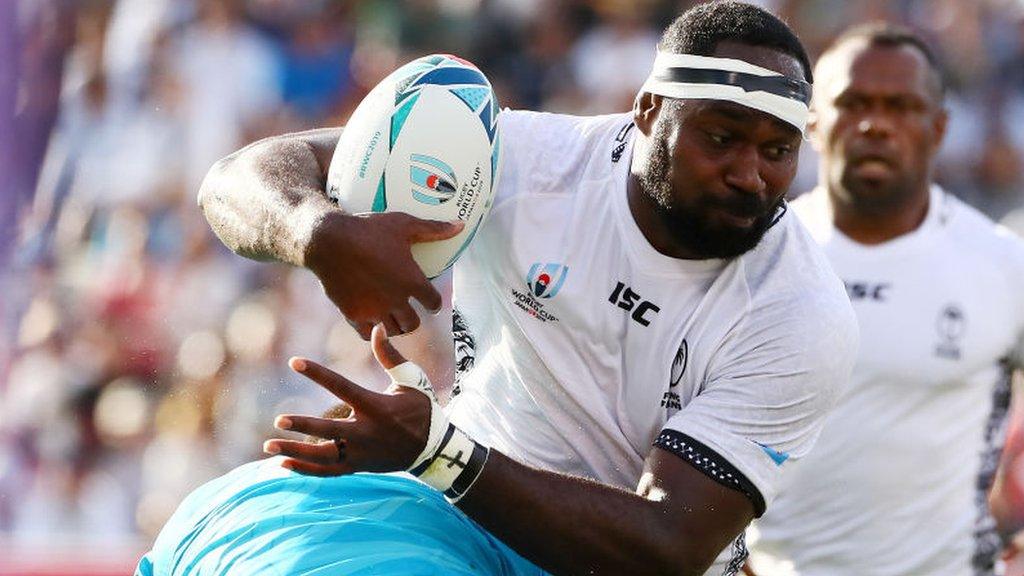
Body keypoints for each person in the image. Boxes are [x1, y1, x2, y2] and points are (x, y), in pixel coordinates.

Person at [141, 3, 857, 575]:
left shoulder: (800, 312)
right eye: (723, 137)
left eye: (776, 151)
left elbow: (664, 547)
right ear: (646, 113)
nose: (750, 175)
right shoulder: (524, 161)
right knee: (231, 537)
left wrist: (437, 450)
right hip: (454, 519)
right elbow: (238, 178)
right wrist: (318, 232)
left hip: (597, 552)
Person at [748, 23, 1024, 576]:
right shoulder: (752, 256)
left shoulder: (1001, 263)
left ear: (938, 128)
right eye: (853, 103)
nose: (875, 123)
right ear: (814, 124)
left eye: (901, 106)